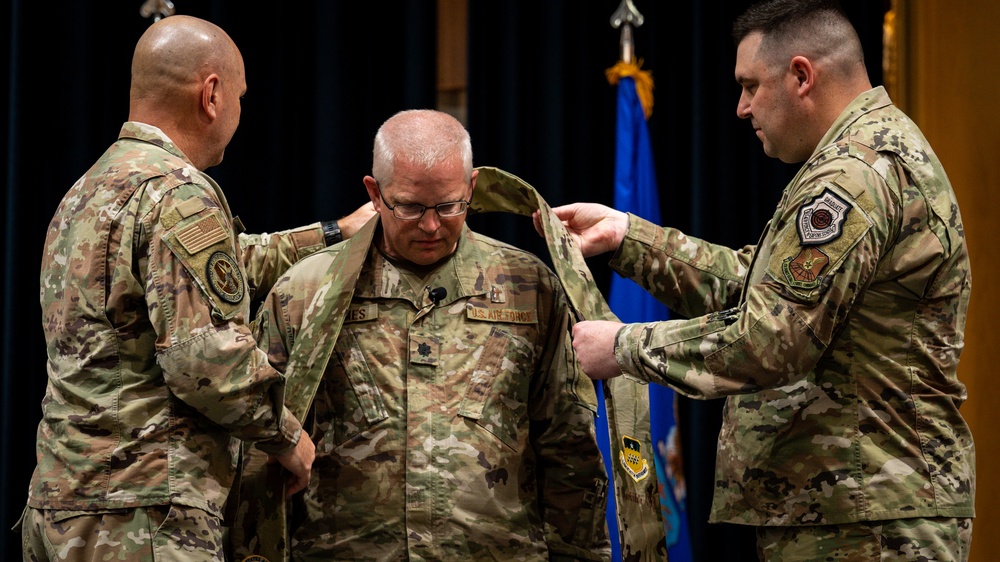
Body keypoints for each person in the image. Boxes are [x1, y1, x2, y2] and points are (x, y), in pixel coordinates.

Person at [541, 0, 975, 560]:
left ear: (801, 75)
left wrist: (624, 347)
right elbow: (762, 286)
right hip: (859, 505)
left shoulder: (853, 175)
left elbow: (770, 341)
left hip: (869, 517)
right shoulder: (865, 154)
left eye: (750, 86)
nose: (741, 108)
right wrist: (630, 238)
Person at [21, 14, 374, 562]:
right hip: (143, 516)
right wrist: (287, 437)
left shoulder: (86, 191)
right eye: (239, 95)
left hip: (62, 506)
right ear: (211, 94)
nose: (238, 111)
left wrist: (333, 232)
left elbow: (218, 268)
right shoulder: (178, 193)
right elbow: (203, 359)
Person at [252, 109, 611, 561]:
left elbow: (568, 445)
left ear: (472, 189)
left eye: (448, 206)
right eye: (410, 207)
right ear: (374, 194)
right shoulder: (306, 291)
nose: (430, 226)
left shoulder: (528, 287)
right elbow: (255, 442)